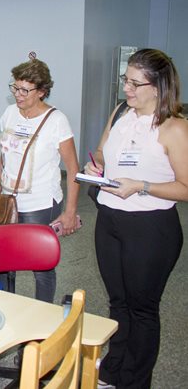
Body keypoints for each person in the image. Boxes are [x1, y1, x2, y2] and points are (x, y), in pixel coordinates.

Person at [84, 49, 187, 389]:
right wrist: (95, 166)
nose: (126, 88)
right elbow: (101, 152)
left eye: (134, 83)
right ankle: (113, 371)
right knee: (119, 302)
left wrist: (142, 186)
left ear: (157, 86)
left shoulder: (175, 128)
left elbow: (186, 188)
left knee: (142, 309)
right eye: (125, 80)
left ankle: (135, 381)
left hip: (151, 229)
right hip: (111, 220)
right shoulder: (120, 114)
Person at [0, 54, 80, 303]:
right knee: (4, 262)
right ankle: (5, 309)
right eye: (15, 87)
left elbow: (73, 170)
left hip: (40, 202)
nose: (18, 94)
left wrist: (70, 212)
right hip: (8, 201)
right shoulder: (10, 113)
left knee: (41, 265)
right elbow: (4, 157)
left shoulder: (56, 121)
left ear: (41, 91)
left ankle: (43, 317)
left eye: (24, 90)